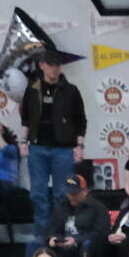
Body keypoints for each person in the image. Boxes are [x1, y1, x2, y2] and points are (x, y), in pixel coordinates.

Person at [19, 49, 86, 237]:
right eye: (50, 65)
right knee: (38, 194)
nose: (54, 69)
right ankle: (42, 236)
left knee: (62, 194)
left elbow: (81, 122)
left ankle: (61, 233)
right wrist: (23, 142)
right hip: (37, 147)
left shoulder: (71, 91)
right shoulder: (32, 89)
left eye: (57, 65)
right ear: (42, 66)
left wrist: (79, 147)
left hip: (63, 148)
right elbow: (26, 119)